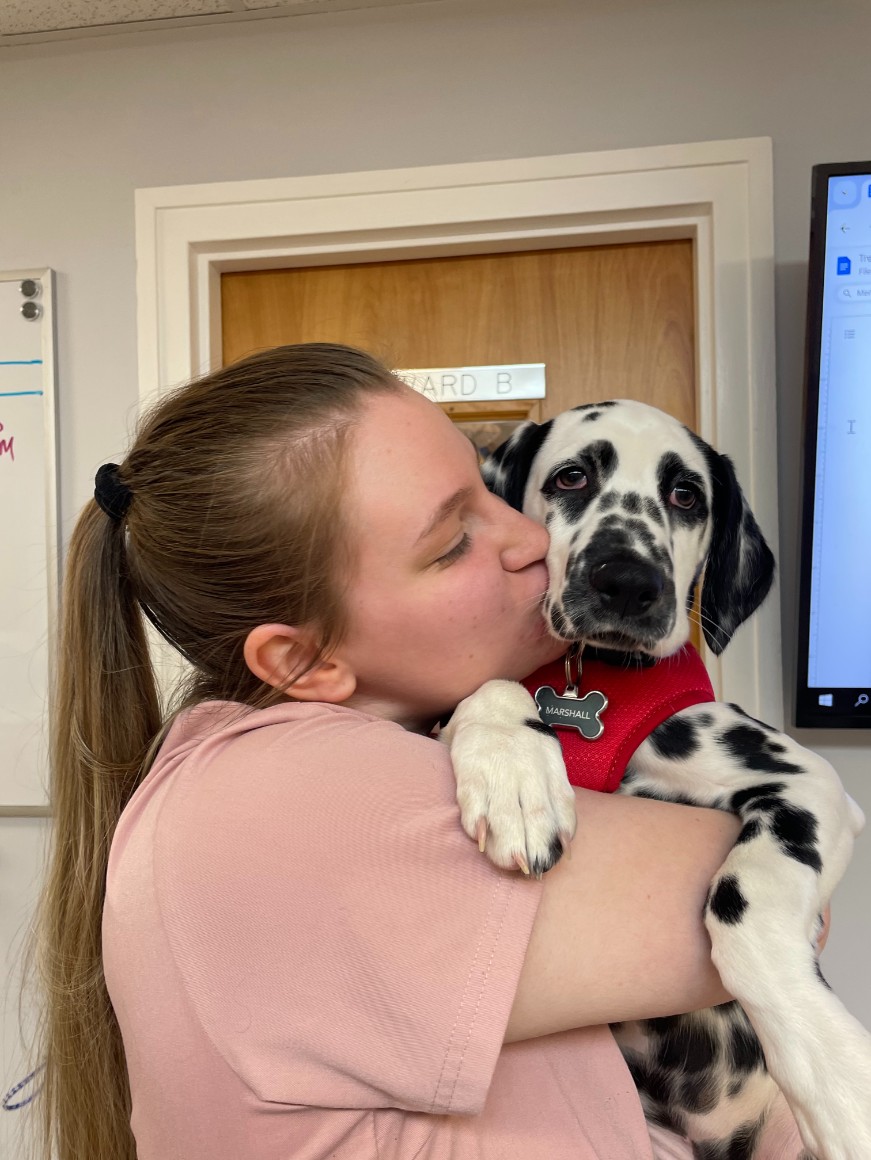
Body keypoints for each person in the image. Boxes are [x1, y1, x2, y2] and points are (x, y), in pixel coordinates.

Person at [28, 343, 809, 1160]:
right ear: (302, 660)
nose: (530, 539)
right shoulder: (303, 797)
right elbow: (776, 886)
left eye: (489, 490)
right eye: (453, 540)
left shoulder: (247, 770)